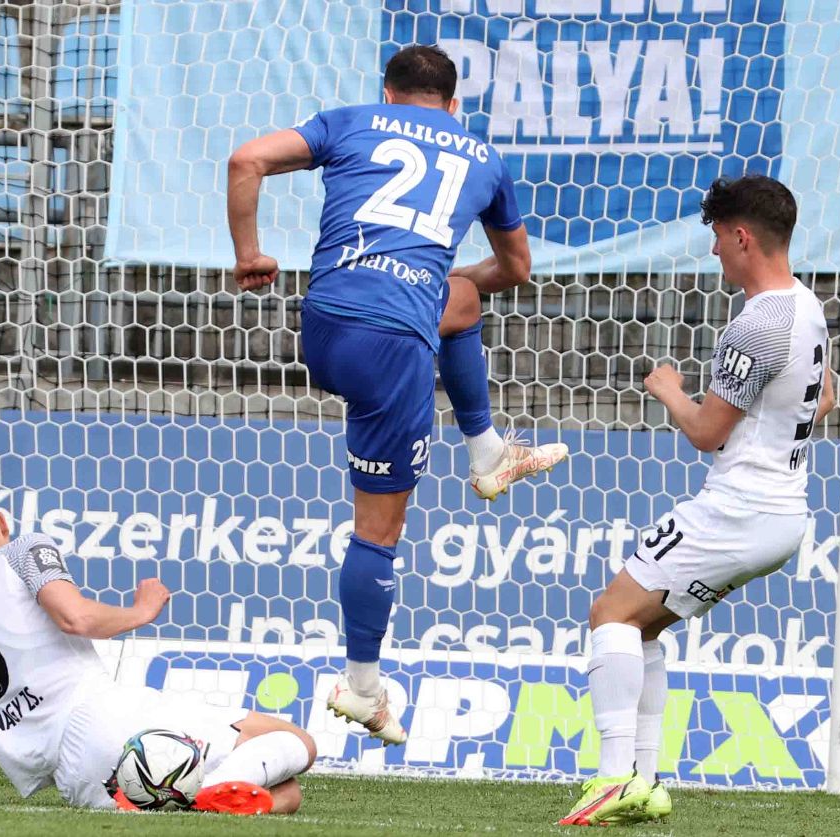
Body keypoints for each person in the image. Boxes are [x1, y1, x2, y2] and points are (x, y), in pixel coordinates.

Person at [225, 44, 566, 744]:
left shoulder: (351, 120)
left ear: (387, 92)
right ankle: (362, 689)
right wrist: (429, 277)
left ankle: (488, 452)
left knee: (459, 303)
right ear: (453, 105)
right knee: (377, 533)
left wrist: (249, 254)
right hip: (391, 350)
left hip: (325, 324)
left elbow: (245, 160)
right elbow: (517, 268)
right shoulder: (482, 157)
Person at [559, 175, 834, 826]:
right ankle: (645, 783)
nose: (712, 251)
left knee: (609, 613)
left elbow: (707, 433)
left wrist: (667, 388)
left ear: (742, 237)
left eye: (715, 237)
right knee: (643, 624)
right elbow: (824, 398)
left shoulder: (757, 324)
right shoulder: (808, 306)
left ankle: (612, 777)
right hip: (783, 510)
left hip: (739, 508)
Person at [0, 483, 317, 815]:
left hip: (74, 777)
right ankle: (203, 794)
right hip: (108, 717)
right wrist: (141, 611)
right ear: (2, 522)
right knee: (297, 743)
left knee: (286, 795)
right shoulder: (23, 551)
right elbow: (75, 618)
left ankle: (192, 802)